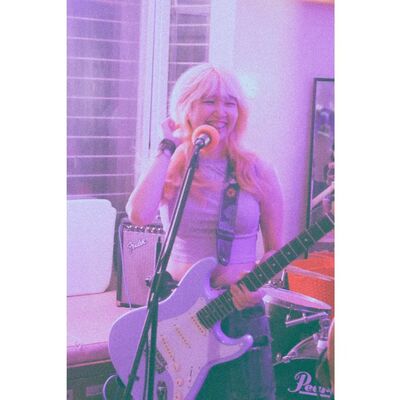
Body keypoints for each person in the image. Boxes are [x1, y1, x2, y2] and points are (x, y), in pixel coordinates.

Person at [126, 63, 284, 399]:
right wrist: (167, 147)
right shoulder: (172, 165)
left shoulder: (257, 170)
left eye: (230, 103)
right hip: (178, 319)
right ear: (187, 107)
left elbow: (276, 251)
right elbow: (138, 214)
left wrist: (258, 285)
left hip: (240, 314)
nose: (221, 112)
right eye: (209, 101)